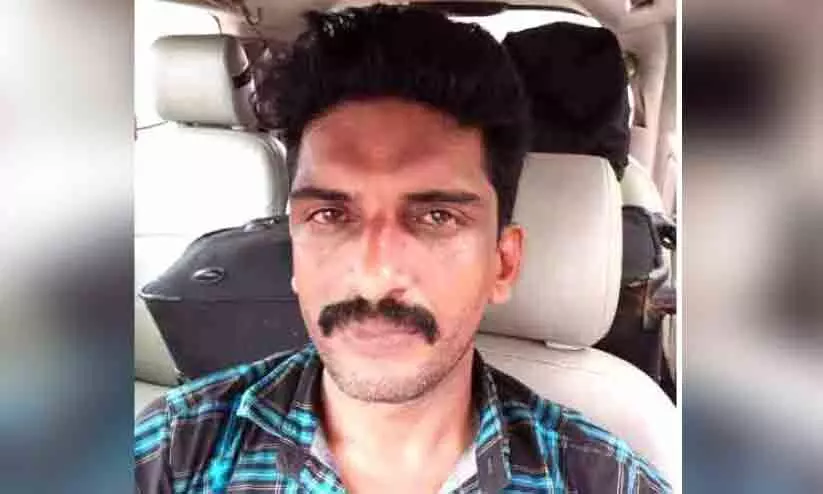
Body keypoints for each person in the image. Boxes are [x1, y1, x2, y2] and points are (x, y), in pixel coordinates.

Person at [135, 5, 671, 493]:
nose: (375, 274)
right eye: (330, 216)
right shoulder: (172, 454)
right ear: (294, 248)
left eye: (437, 217)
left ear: (503, 263)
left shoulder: (605, 482)